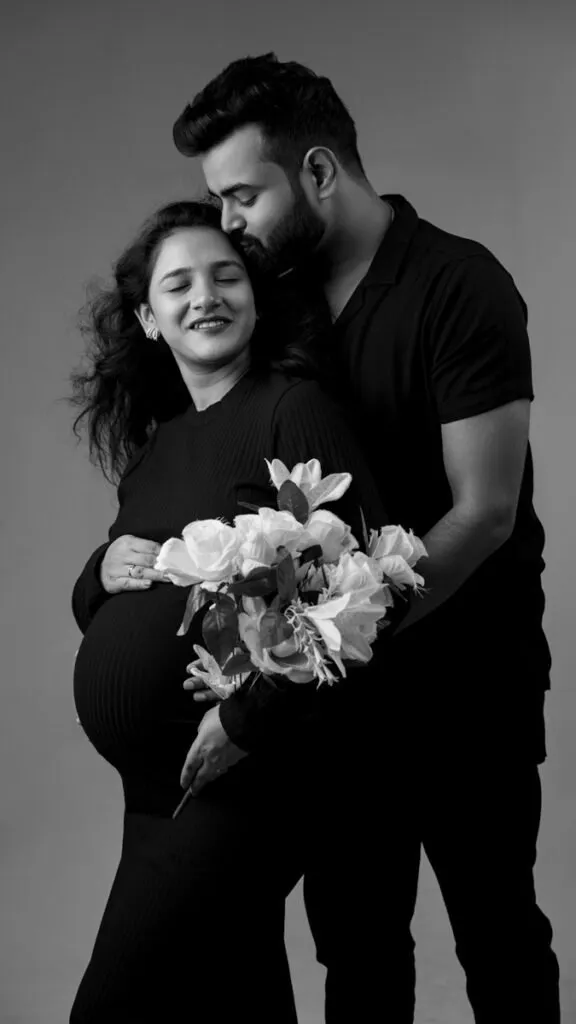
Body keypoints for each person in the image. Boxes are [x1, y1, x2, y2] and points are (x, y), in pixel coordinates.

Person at [170, 53, 561, 1022]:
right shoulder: (281, 305)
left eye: (242, 196)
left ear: (316, 171)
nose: (228, 223)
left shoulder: (458, 283)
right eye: (217, 201)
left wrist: (326, 644)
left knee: (500, 942)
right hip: (337, 714)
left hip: (471, 687)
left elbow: (484, 513)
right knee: (357, 956)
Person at [68, 198, 391, 1023]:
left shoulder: (292, 409)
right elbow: (124, 587)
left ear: (254, 295)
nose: (205, 296)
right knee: (236, 999)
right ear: (149, 318)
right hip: (156, 793)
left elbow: (360, 594)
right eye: (178, 285)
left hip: (248, 776)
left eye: (225, 277)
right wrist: (97, 573)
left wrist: (247, 719)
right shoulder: (158, 446)